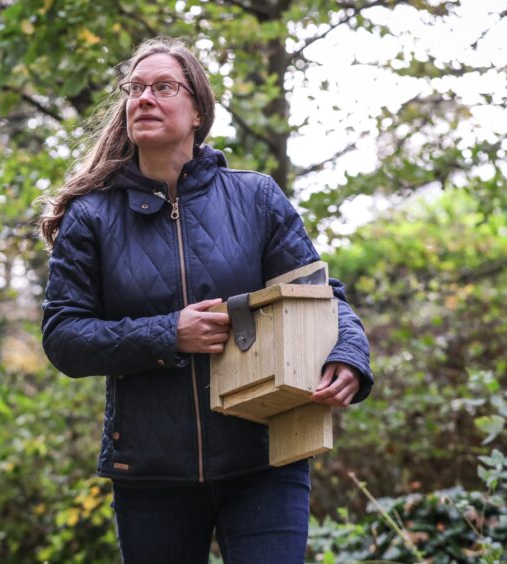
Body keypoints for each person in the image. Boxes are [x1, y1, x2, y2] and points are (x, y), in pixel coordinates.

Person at [39, 37, 372, 563]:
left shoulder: (256, 197)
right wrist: (167, 333)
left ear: (198, 111)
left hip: (265, 458)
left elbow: (321, 299)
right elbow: (63, 338)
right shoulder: (92, 217)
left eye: (163, 87)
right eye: (135, 88)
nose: (143, 98)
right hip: (151, 473)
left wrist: (349, 356)